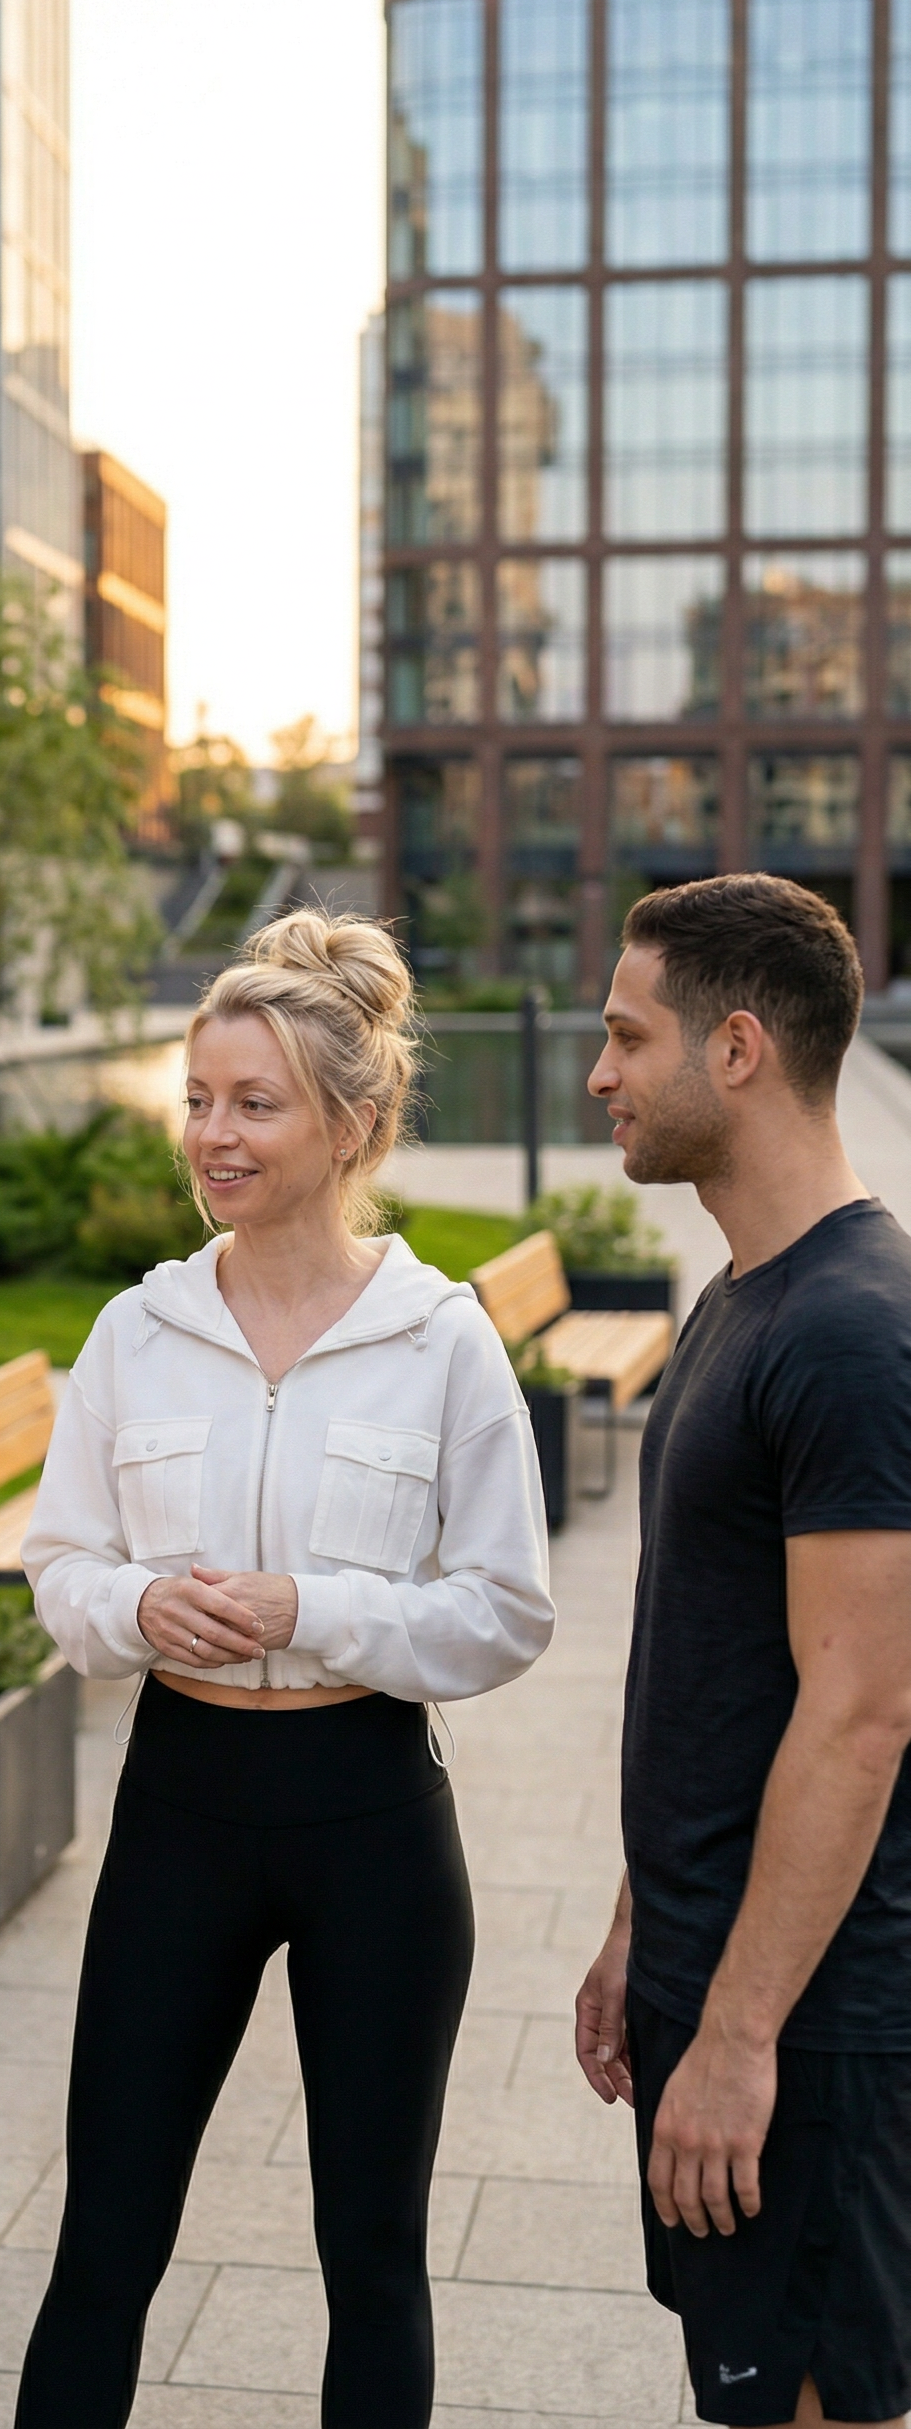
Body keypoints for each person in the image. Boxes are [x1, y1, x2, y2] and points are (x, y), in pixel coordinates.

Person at [14, 910, 554, 2429]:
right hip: (180, 1807)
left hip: (370, 1815)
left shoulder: (442, 1340)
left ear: (355, 1124)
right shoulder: (140, 1328)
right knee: (104, 2241)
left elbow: (507, 1609)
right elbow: (62, 1567)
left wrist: (311, 1610)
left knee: (372, 2252)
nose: (212, 1134)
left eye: (255, 1103)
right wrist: (136, 1611)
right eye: (197, 1096)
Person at [574, 874, 911, 2429]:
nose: (598, 1076)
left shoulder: (852, 1329)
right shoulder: (745, 1300)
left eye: (626, 1037)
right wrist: (648, 1917)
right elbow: (718, 1670)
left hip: (818, 2028)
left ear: (737, 1051)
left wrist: (740, 2034)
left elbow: (862, 1716)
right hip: (718, 1977)